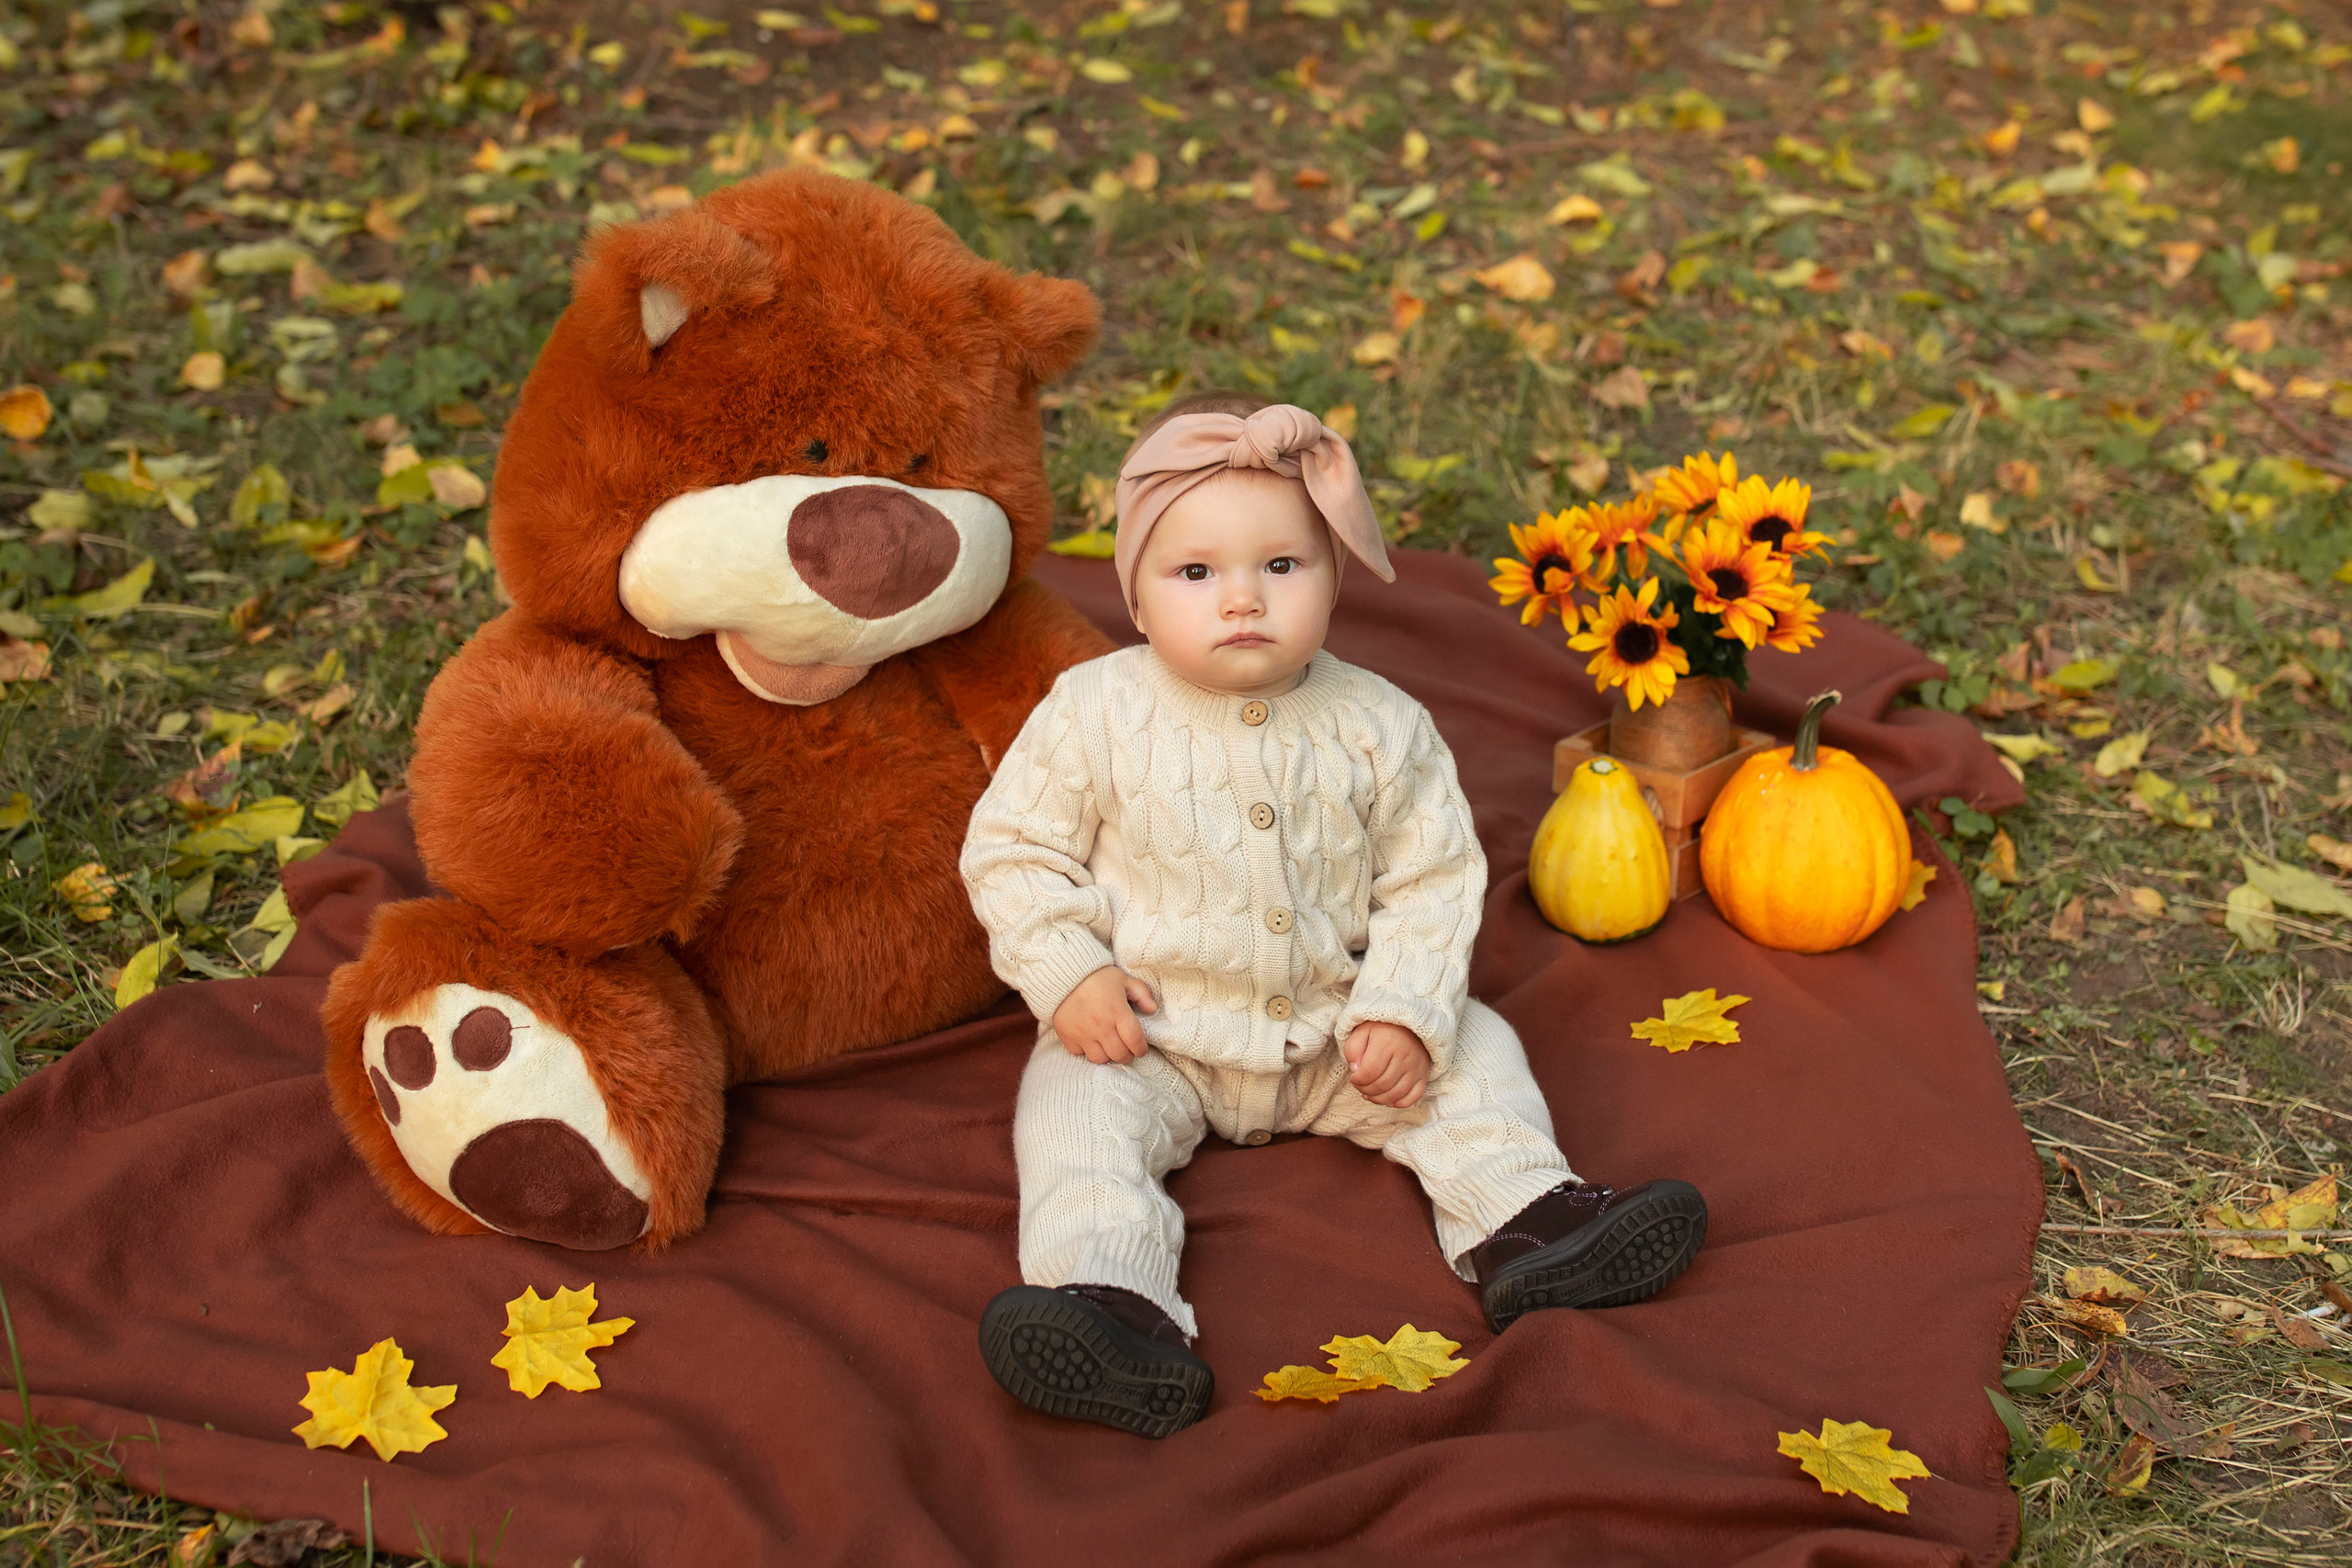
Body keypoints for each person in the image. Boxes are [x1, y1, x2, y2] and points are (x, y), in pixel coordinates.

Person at [958, 392, 1707, 1438]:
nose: (1241, 600)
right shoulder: (1092, 711)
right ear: (1135, 597)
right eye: (1195, 572)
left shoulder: (1379, 724)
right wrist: (1067, 972)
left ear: (1333, 578)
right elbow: (1012, 849)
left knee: (1475, 1051)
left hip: (1334, 1029)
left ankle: (1527, 1221)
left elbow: (1433, 879)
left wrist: (1401, 1012)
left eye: (1280, 566)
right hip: (1149, 1031)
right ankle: (1110, 1304)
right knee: (1072, 1117)